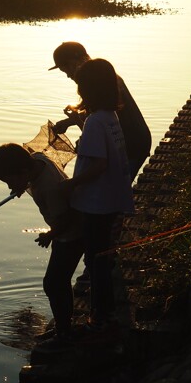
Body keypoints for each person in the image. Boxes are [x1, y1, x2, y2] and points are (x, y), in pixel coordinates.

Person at [60, 58, 135, 335]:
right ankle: (105, 312)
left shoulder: (95, 122)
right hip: (112, 200)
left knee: (95, 260)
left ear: (87, 89)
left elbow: (98, 165)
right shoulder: (109, 117)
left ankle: (101, 316)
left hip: (97, 204)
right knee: (102, 257)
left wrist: (71, 185)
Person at [0, 143, 84, 352]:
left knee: (53, 283)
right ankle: (63, 326)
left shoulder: (48, 188)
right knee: (58, 281)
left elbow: (66, 218)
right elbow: (30, 165)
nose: (9, 187)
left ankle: (64, 333)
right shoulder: (39, 159)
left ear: (23, 171)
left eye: (9, 180)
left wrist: (50, 235)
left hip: (71, 235)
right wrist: (22, 184)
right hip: (69, 233)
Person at [49, 42, 151, 181]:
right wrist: (70, 121)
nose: (67, 75)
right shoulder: (103, 75)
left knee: (116, 190)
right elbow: (102, 112)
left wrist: (78, 123)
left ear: (75, 61)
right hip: (137, 140)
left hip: (130, 144)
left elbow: (101, 121)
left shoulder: (95, 81)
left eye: (65, 68)